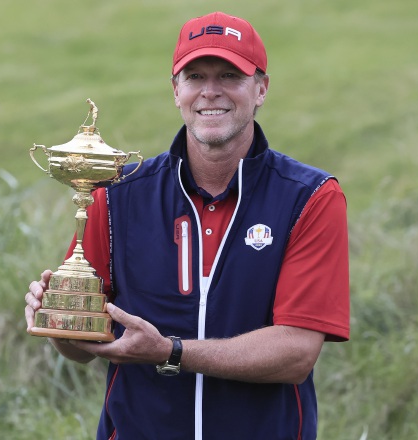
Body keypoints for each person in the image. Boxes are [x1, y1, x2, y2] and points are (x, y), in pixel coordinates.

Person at [25, 11, 350, 439]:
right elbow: (84, 350)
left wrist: (170, 352)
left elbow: (296, 354)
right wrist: (58, 322)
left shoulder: (310, 197)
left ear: (261, 89)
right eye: (195, 75)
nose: (210, 92)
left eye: (229, 75)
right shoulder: (116, 194)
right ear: (176, 90)